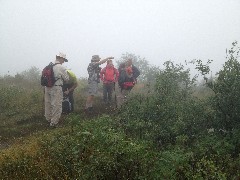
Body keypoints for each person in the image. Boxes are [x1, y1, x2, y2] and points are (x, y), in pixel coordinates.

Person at [44, 52, 69, 127]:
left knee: (48, 103)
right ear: (61, 58)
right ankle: (54, 123)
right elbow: (67, 79)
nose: (63, 61)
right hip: (56, 87)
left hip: (47, 87)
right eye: (63, 59)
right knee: (56, 105)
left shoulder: (49, 66)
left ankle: (48, 119)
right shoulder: (61, 67)